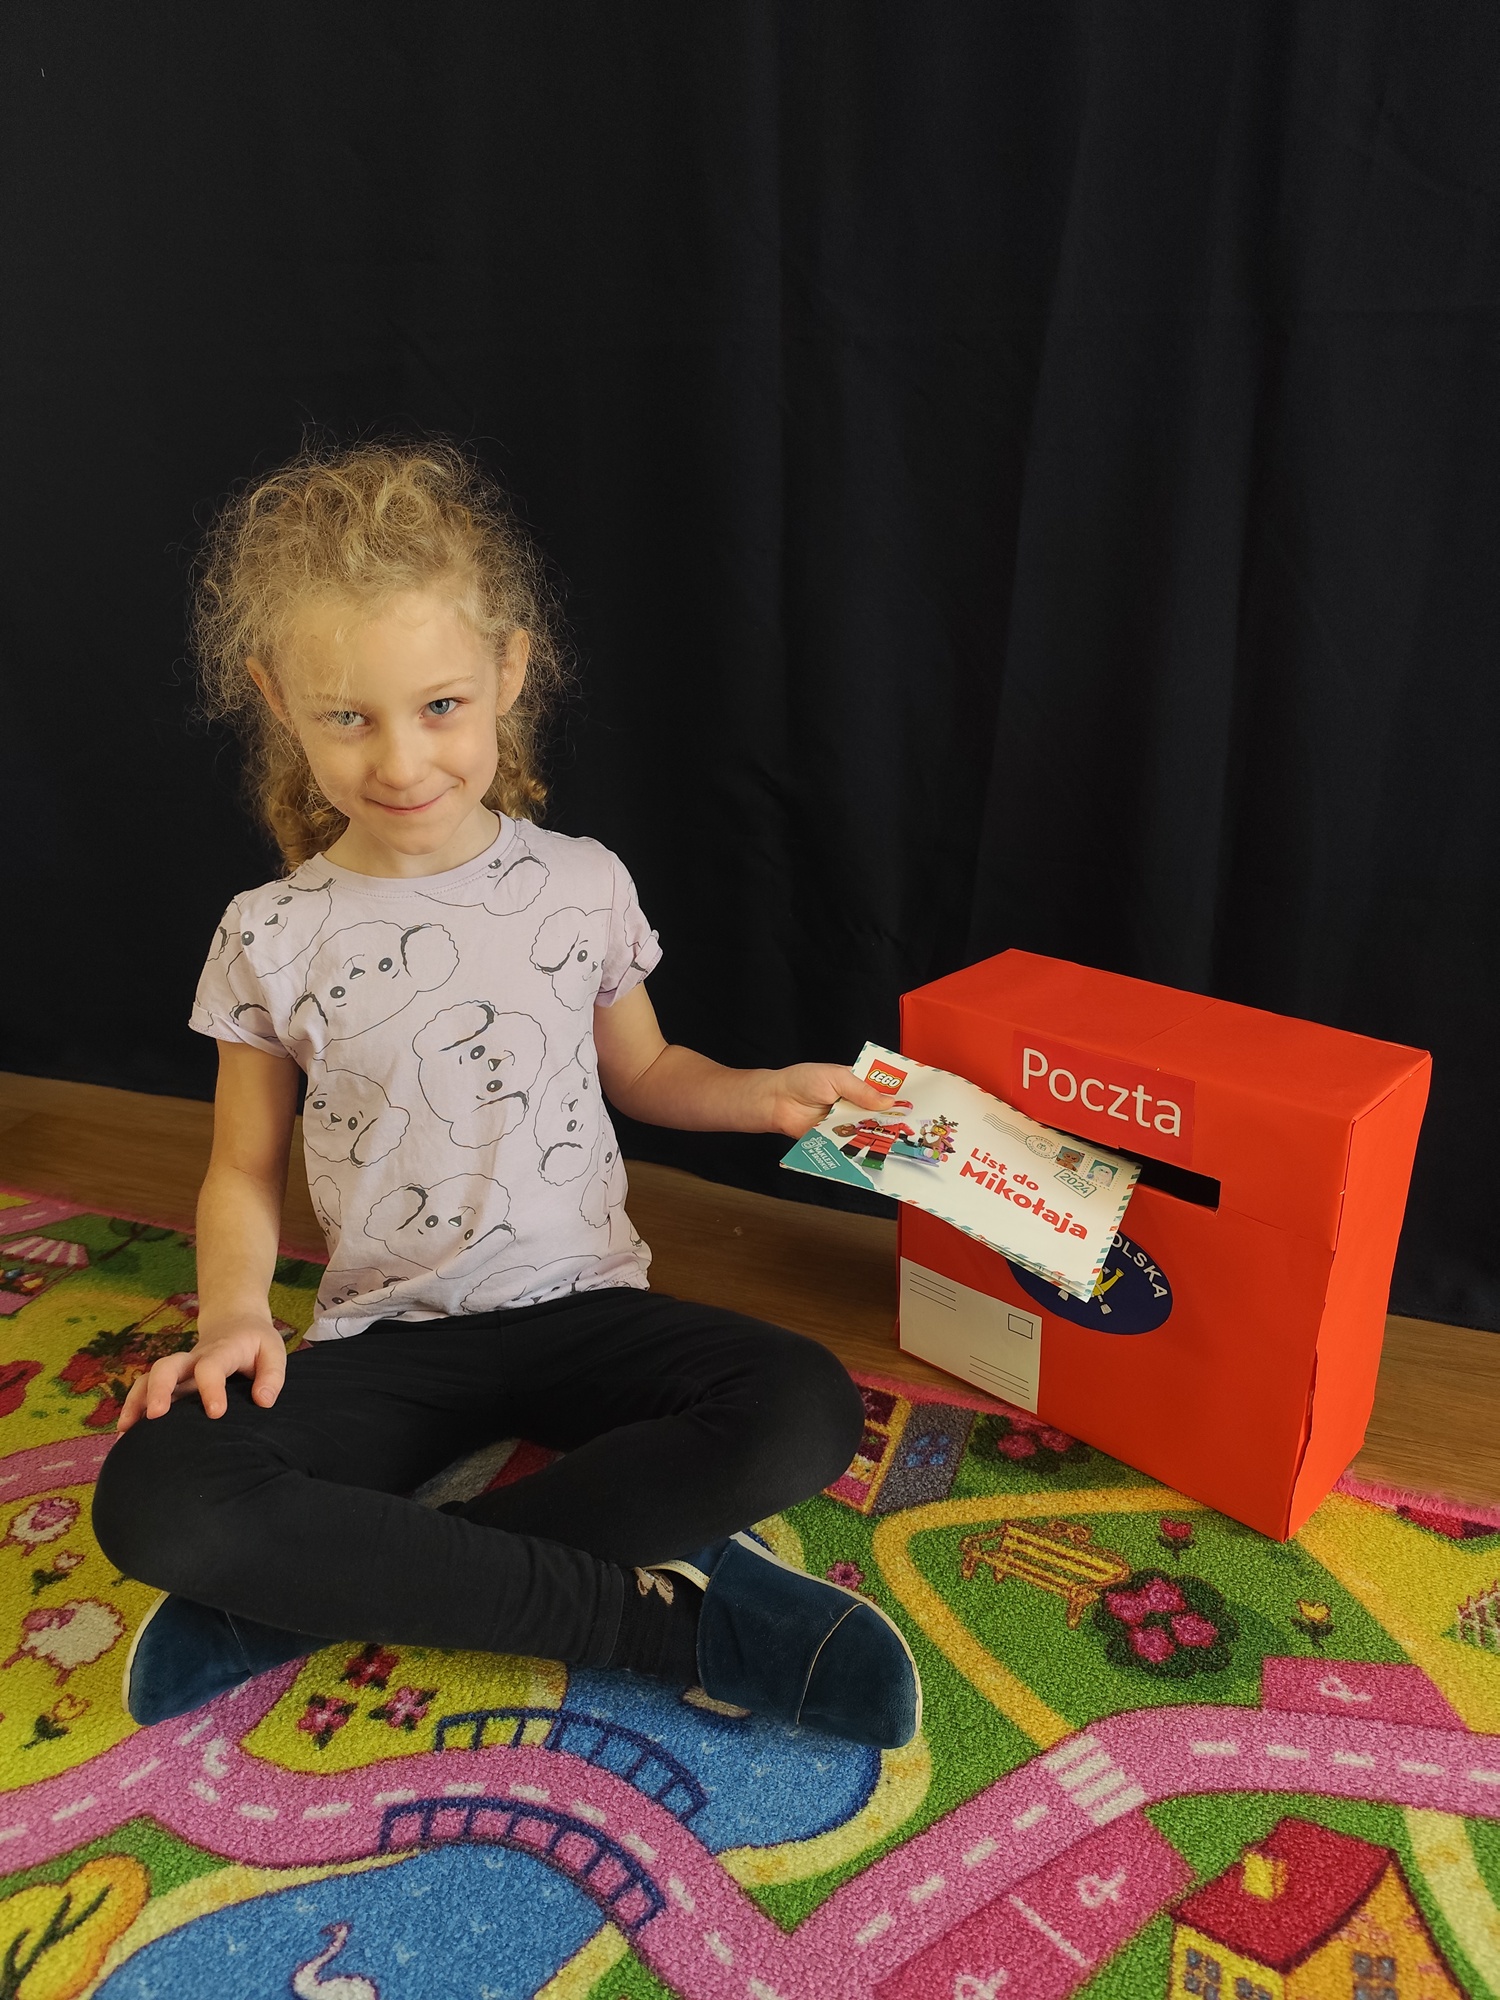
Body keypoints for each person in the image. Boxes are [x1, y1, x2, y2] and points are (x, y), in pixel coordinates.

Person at [92, 441, 920, 1748]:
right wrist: (234, 1316)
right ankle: (671, 1628)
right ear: (276, 700)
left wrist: (764, 1096)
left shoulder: (582, 884)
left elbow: (647, 1072)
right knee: (159, 1497)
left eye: (440, 706)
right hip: (389, 1344)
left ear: (509, 674)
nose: (400, 760)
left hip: (587, 1311)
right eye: (347, 717)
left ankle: (315, 1595)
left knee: (803, 1406)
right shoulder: (270, 930)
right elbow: (240, 1168)